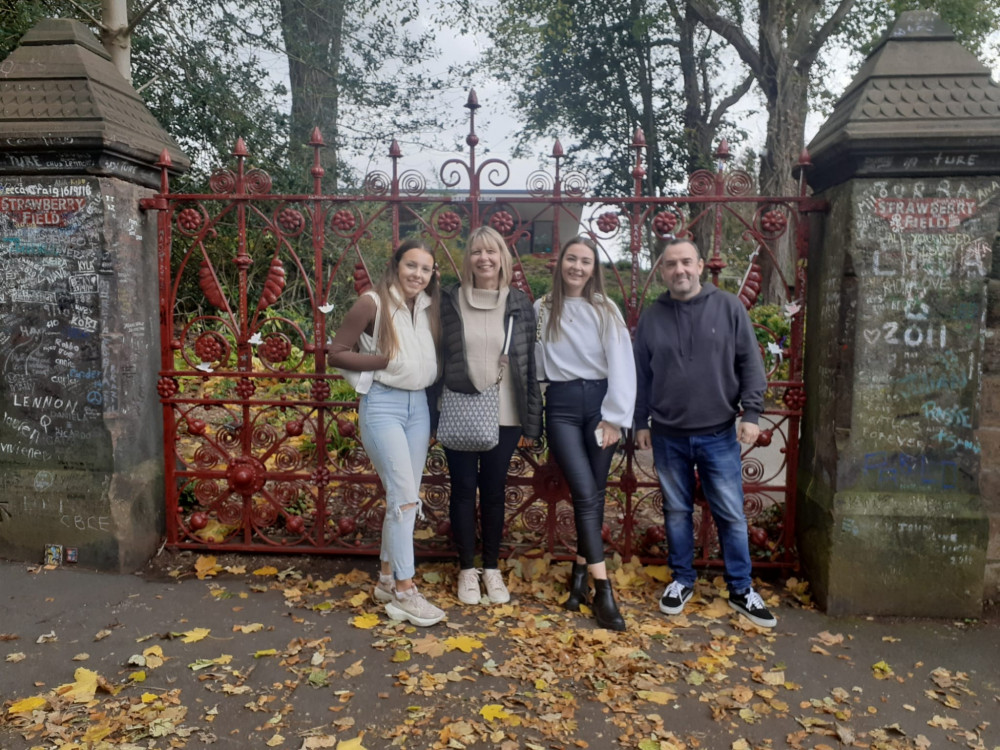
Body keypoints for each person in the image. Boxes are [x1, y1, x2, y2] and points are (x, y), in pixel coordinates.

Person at [634, 238, 776, 629]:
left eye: (685, 262)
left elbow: (750, 362)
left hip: (718, 433)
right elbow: (641, 375)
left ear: (699, 266)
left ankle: (741, 588)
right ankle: (682, 579)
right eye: (670, 264)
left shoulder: (728, 307)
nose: (679, 270)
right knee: (676, 512)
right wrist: (639, 422)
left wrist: (752, 413)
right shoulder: (652, 316)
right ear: (662, 271)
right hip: (667, 435)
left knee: (731, 514)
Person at [327, 239, 444, 627]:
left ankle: (385, 579)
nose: (418, 275)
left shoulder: (427, 307)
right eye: (412, 266)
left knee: (403, 496)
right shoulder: (372, 302)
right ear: (396, 265)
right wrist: (381, 361)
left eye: (425, 269)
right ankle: (406, 592)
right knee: (405, 497)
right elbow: (336, 351)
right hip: (383, 405)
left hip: (418, 408)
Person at [436, 226, 542, 605]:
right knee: (463, 489)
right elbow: (438, 354)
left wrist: (533, 418)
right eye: (477, 251)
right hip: (461, 406)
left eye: (491, 251)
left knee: (494, 491)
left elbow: (528, 363)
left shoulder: (518, 303)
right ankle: (467, 569)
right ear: (468, 259)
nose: (484, 258)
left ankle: (492, 568)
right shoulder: (450, 299)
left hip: (506, 411)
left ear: (503, 258)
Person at [535, 236, 635, 631]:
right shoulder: (543, 308)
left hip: (599, 407)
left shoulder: (604, 308)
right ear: (560, 263)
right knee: (583, 492)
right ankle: (603, 589)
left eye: (586, 261)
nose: (577, 267)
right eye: (571, 259)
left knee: (592, 494)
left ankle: (579, 580)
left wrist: (612, 418)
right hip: (560, 407)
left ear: (595, 269)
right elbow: (535, 362)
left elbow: (622, 364)